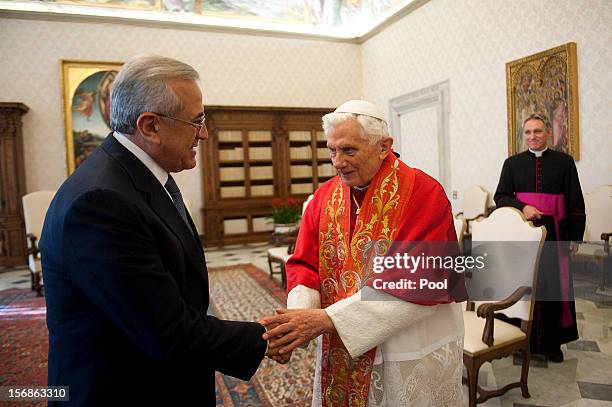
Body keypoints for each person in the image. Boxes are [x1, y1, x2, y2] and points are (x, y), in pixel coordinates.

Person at [40, 55, 271, 405]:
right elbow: (168, 333)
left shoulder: (133, 178)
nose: (204, 133)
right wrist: (270, 336)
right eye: (197, 121)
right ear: (150, 126)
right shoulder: (102, 203)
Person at [260, 100, 467, 406]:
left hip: (406, 344)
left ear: (384, 147)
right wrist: (298, 320)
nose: (337, 162)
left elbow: (419, 282)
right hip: (338, 340)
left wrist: (326, 320)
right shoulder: (324, 196)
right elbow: (305, 264)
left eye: (349, 150)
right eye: (332, 150)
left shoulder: (423, 194)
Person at [494, 113, 586, 362]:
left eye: (537, 131)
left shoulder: (564, 162)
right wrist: (523, 207)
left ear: (548, 133)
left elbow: (575, 201)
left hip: (555, 234)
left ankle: (551, 345)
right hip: (522, 235)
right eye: (527, 132)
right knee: (522, 289)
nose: (532, 136)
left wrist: (575, 237)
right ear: (523, 136)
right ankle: (518, 342)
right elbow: (500, 197)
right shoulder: (512, 164)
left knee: (552, 289)